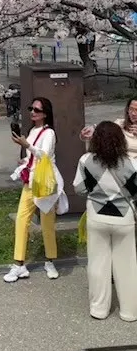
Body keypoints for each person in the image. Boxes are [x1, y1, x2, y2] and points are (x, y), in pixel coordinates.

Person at [74, 120, 137, 321]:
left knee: (98, 264)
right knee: (127, 266)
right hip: (124, 218)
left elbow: (79, 188)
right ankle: (129, 312)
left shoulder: (85, 160)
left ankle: (99, 309)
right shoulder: (133, 163)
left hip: (96, 217)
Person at [4, 97, 67, 284]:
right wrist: (24, 160)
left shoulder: (49, 133)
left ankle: (50, 260)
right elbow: (34, 156)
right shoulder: (32, 130)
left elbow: (45, 155)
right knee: (22, 220)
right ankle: (19, 263)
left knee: (47, 223)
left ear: (45, 114)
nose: (32, 112)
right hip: (30, 181)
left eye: (37, 110)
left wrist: (26, 145)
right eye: (31, 108)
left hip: (45, 183)